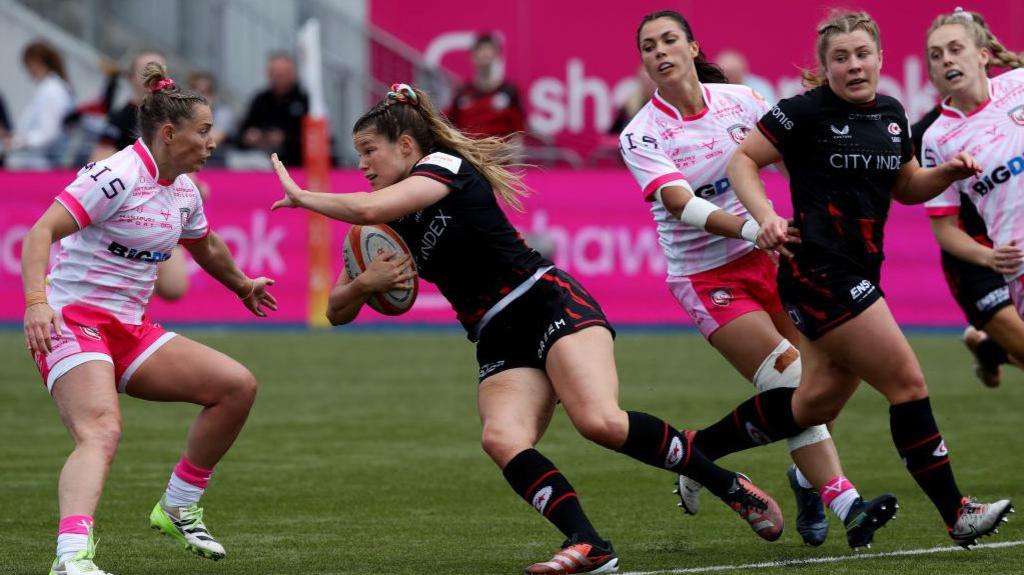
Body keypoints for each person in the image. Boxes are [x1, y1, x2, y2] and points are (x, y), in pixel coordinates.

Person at [271, 83, 787, 575]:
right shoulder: (379, 225)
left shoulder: (441, 166)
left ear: (406, 146)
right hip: (496, 333)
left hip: (544, 301)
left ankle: (725, 483)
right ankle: (588, 544)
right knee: (501, 437)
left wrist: (303, 195)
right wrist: (367, 284)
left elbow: (365, 207)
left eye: (369, 152)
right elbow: (336, 311)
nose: (361, 165)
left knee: (599, 422)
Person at [710, 9, 1011, 548]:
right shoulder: (802, 112)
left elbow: (909, 187)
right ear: (825, 67)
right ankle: (956, 512)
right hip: (820, 271)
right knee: (908, 383)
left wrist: (948, 173)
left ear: (880, 59)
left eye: (862, 54)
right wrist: (765, 219)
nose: (854, 66)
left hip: (858, 269)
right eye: (841, 58)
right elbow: (741, 163)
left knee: (813, 405)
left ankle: (694, 452)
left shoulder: (893, 115)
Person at [621, 10, 896, 549]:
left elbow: (794, 159)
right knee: (789, 381)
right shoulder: (640, 133)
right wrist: (753, 226)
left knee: (820, 384)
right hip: (706, 275)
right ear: (645, 63)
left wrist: (818, 212)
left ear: (693, 47)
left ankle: (710, 455)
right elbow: (680, 203)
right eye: (649, 45)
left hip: (772, 254)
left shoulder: (742, 102)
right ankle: (846, 503)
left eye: (670, 40)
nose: (660, 51)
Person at [21, 62, 276, 575]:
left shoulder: (181, 188)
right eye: (203, 131)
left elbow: (206, 246)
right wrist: (35, 304)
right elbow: (39, 233)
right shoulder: (116, 175)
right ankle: (70, 558)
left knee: (236, 387)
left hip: (128, 331)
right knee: (101, 431)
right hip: (73, 322)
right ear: (168, 132)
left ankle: (178, 506)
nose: (212, 141)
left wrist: (242, 284)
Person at [920, 8, 1024, 386]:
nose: (946, 58)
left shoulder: (1020, 84)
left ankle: (988, 348)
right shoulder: (936, 139)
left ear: (982, 55)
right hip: (1018, 264)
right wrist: (989, 257)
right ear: (931, 73)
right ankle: (989, 345)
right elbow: (944, 229)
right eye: (936, 54)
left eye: (955, 48)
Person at [5, 41, 74, 170]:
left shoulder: (53, 90)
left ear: (36, 62)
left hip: (41, 166)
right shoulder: (48, 88)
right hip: (35, 163)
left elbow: (48, 134)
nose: (27, 70)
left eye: (27, 65)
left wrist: (17, 142)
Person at [445, 33, 526, 140]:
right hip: (469, 153)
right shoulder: (462, 93)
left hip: (500, 154)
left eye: (489, 50)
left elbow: (519, 133)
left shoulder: (510, 91)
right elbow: (450, 128)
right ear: (472, 56)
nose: (484, 54)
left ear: (498, 56)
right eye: (480, 50)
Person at [236, 52, 309, 166]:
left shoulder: (306, 100)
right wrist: (251, 136)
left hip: (296, 164)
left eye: (281, 75)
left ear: (292, 74)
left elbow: (313, 138)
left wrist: (285, 139)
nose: (277, 78)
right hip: (262, 161)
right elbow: (243, 131)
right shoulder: (260, 99)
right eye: (273, 74)